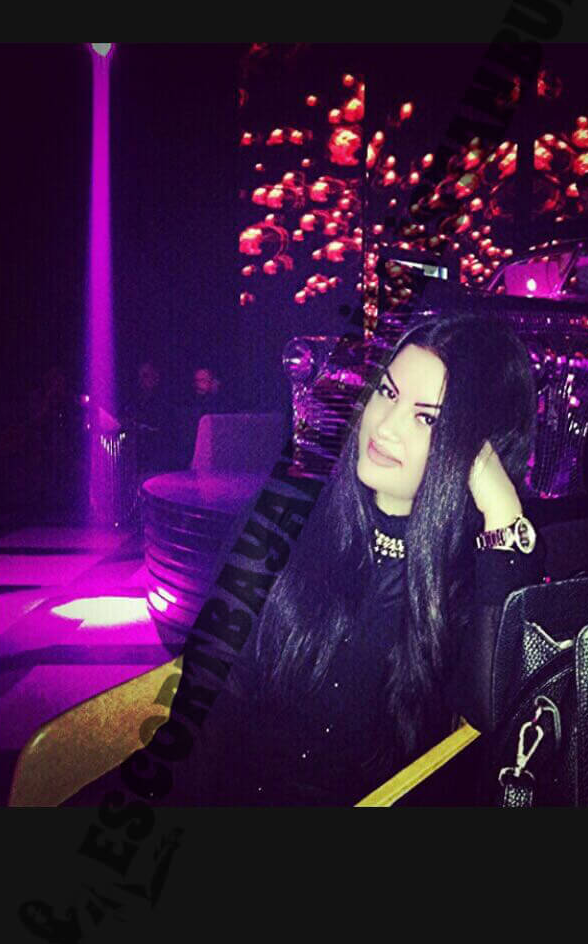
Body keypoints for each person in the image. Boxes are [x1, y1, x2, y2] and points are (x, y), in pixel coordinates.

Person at [62, 313, 546, 807]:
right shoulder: (287, 521)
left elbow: (496, 723)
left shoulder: (473, 576)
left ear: (477, 450)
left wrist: (503, 514)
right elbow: (211, 705)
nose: (385, 426)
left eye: (427, 418)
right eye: (387, 392)